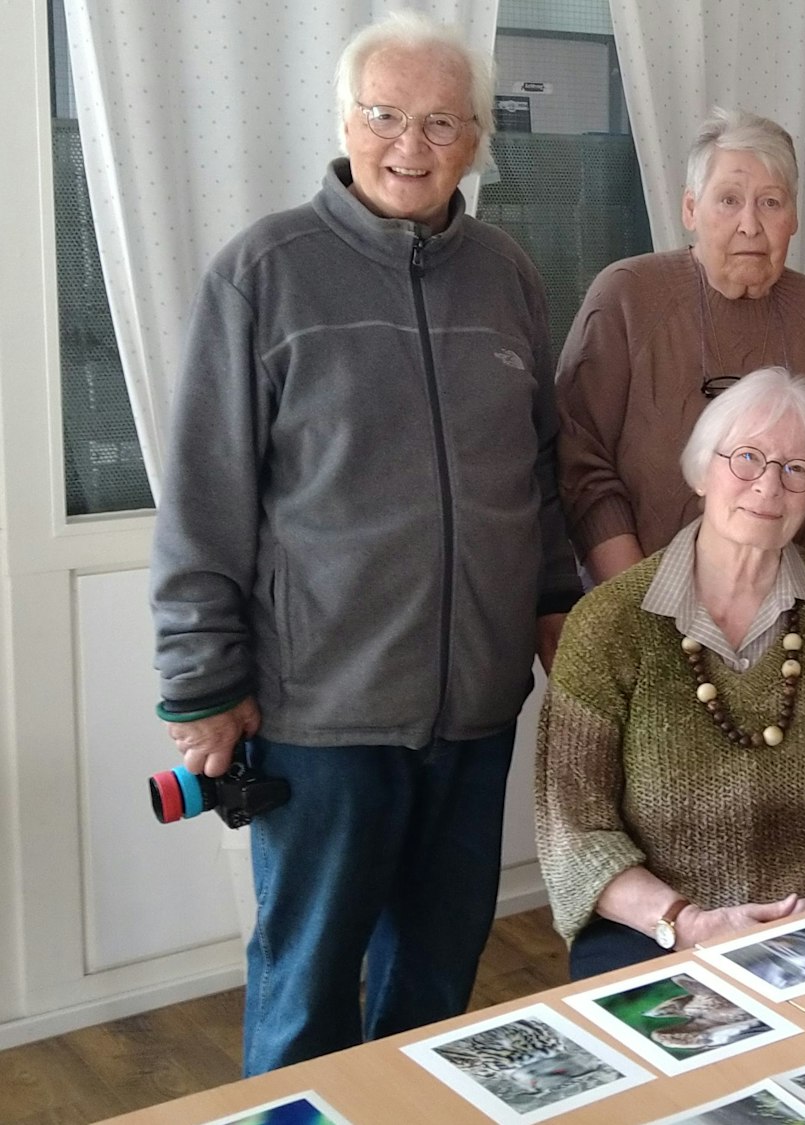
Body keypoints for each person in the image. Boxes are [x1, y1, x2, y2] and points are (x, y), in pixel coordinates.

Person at [148, 13, 578, 1073]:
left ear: (474, 137)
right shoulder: (263, 273)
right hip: (318, 717)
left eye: (439, 121)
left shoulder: (508, 277)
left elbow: (541, 475)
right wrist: (201, 685)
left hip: (474, 712)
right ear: (345, 121)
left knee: (435, 992)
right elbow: (204, 497)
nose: (410, 145)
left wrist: (560, 624)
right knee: (304, 993)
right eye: (385, 116)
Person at [537, 368, 805, 979]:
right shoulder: (608, 624)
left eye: (796, 469)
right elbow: (575, 831)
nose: (768, 487)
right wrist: (687, 921)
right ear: (700, 471)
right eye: (747, 458)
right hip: (660, 929)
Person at [557, 109, 805, 585]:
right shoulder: (626, 296)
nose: (750, 224)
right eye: (728, 200)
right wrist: (636, 603)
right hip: (639, 604)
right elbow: (579, 457)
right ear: (690, 209)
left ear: (794, 218)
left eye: (771, 202)